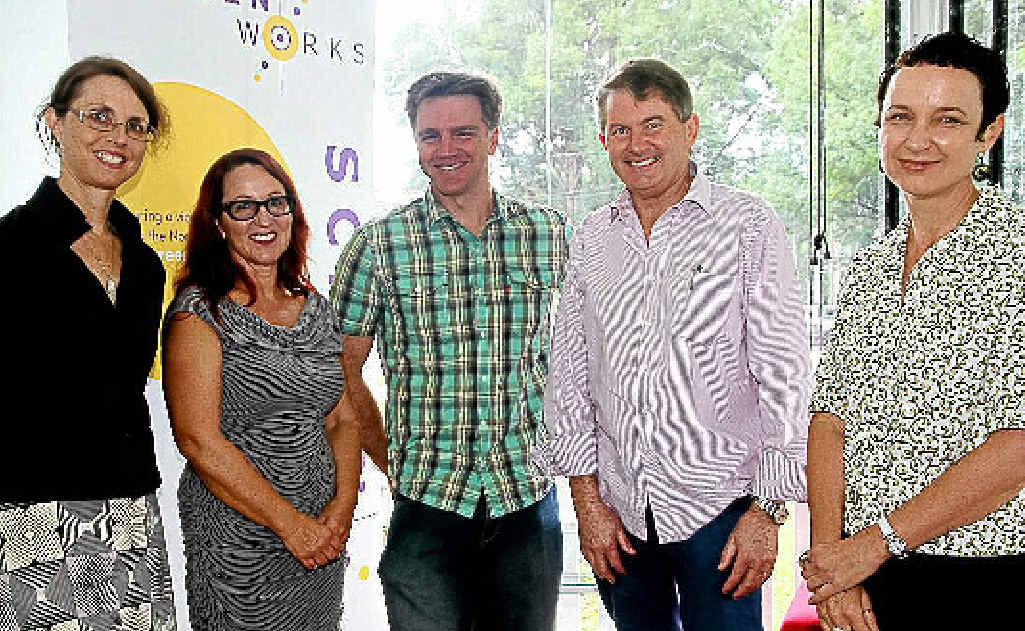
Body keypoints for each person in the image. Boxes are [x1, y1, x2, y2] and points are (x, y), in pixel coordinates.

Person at [536, 59, 810, 631]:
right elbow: (568, 377)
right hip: (620, 514)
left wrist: (769, 510)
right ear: (605, 139)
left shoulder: (747, 224)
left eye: (654, 124)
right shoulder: (592, 238)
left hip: (724, 514)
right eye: (620, 130)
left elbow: (784, 373)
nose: (636, 145)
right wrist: (587, 503)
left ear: (691, 129)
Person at [330, 71, 568, 631]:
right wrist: (393, 462)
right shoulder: (380, 244)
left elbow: (589, 359)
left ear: (493, 137)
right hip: (426, 511)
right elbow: (339, 372)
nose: (446, 149)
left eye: (463, 132)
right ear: (415, 144)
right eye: (430, 136)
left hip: (527, 503)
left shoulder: (550, 234)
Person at [802, 31, 1024, 631]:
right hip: (865, 582)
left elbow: (1019, 448)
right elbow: (828, 419)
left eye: (948, 120)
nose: (918, 140)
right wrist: (832, 566)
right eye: (901, 116)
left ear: (989, 134)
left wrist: (872, 546)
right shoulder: (871, 264)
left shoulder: (1016, 257)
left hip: (984, 583)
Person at [0, 56, 175, 631]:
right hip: (29, 514)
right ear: (55, 120)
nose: (117, 138)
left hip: (129, 510)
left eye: (134, 126)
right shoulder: (10, 246)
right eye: (99, 117)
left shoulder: (147, 265)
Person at [161, 148, 361, 631]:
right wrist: (293, 527)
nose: (264, 218)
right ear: (218, 223)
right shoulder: (199, 312)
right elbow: (199, 442)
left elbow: (343, 419)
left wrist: (340, 511)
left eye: (276, 202)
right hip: (239, 549)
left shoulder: (315, 307)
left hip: (320, 544)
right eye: (243, 207)